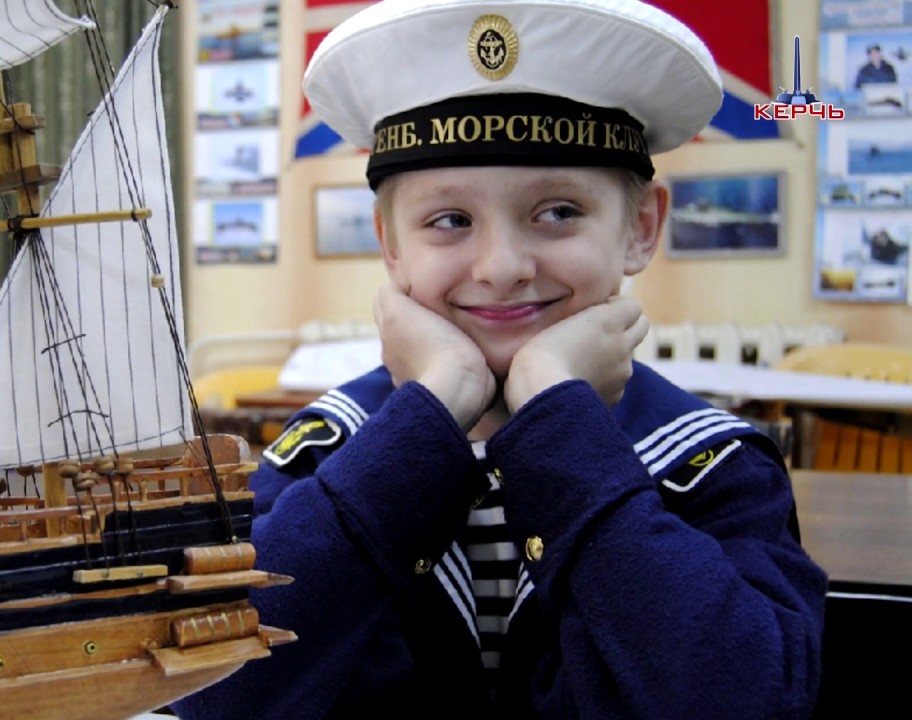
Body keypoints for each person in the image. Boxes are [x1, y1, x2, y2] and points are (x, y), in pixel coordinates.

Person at [172, 1, 827, 718]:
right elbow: (210, 692)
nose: (503, 267)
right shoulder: (327, 455)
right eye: (450, 220)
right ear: (391, 245)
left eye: (559, 212)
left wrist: (556, 416)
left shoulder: (711, 467)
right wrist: (431, 415)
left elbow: (749, 700)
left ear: (640, 229)